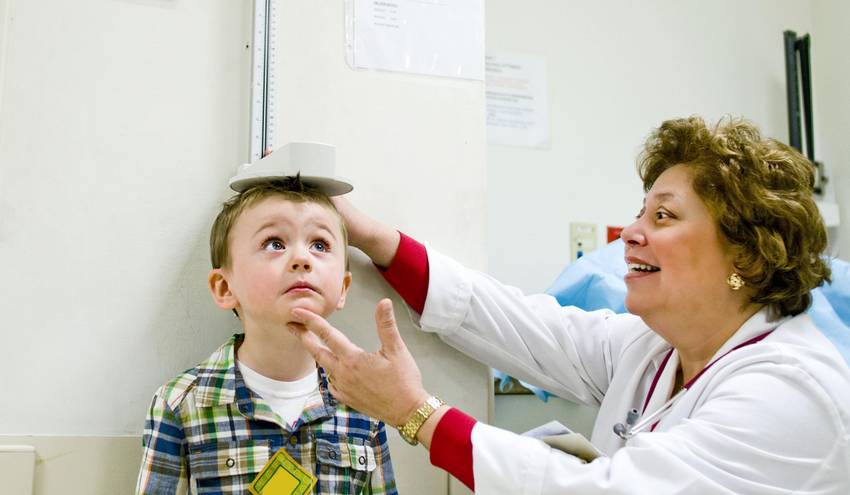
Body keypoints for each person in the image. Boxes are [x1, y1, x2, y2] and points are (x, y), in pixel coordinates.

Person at [288, 117, 850, 494]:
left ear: (747, 255)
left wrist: (415, 411)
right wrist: (371, 237)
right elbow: (521, 326)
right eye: (641, 212)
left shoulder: (789, 393)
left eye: (664, 216)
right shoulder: (659, 349)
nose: (630, 233)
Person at [136, 178, 397, 494]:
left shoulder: (365, 404)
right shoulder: (180, 404)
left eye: (320, 245)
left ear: (342, 289)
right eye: (275, 243)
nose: (302, 259)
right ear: (225, 287)